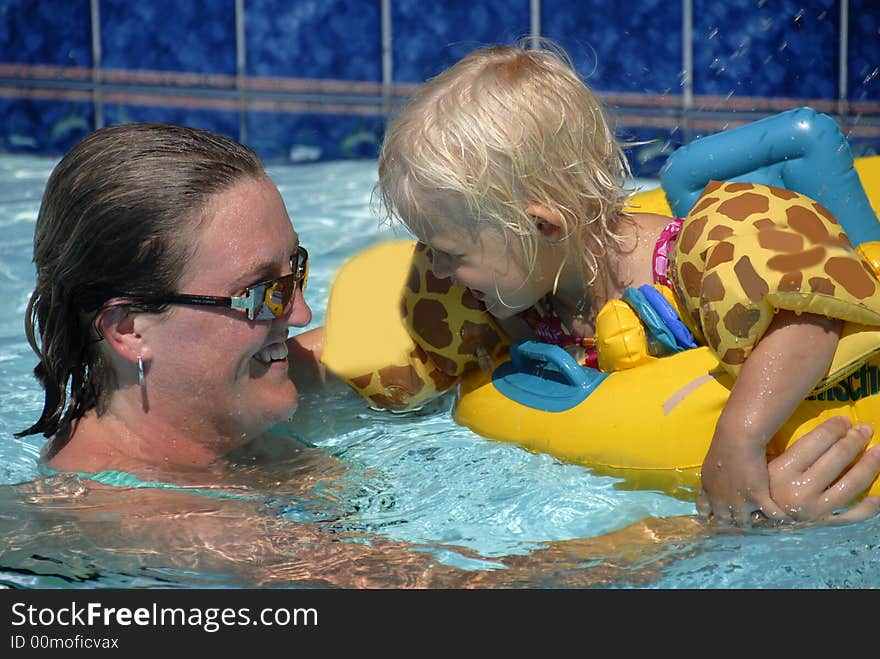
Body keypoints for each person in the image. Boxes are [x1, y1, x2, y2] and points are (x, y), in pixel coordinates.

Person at [11, 122, 878, 591]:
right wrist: (727, 519)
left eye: (297, 270)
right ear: (127, 329)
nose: (303, 310)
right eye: (261, 293)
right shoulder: (164, 521)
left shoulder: (246, 400)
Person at [374, 42, 880, 527]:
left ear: (541, 227)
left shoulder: (694, 264)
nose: (436, 269)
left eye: (451, 253)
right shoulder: (516, 291)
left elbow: (810, 317)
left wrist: (739, 439)